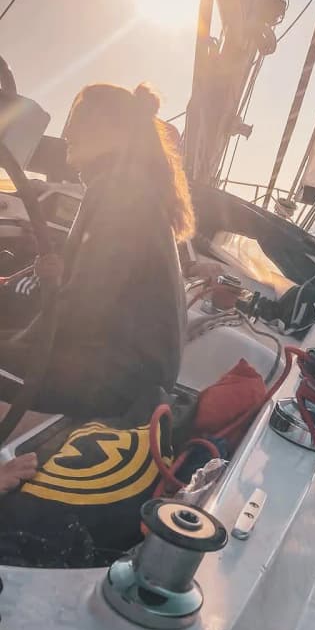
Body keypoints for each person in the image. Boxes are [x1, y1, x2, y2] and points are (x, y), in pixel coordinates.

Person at [0, 83, 191, 421]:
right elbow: (99, 282)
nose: (68, 131)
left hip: (112, 384)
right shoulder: (131, 186)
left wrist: (17, 342)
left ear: (115, 132)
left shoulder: (119, 190)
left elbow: (83, 307)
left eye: (79, 119)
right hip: (131, 371)